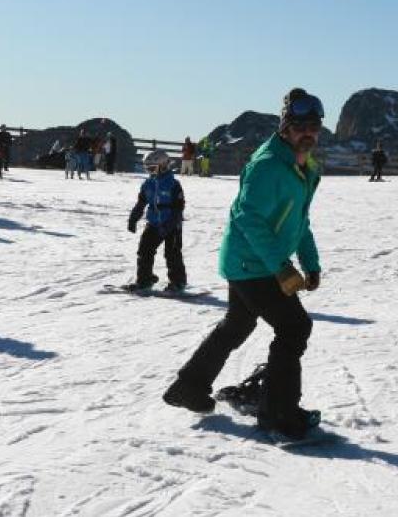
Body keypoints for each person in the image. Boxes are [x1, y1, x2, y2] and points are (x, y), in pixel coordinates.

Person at [163, 88, 325, 442]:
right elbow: (247, 218)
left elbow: (299, 220)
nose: (308, 133)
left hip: (257, 261)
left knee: (237, 325)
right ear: (285, 126)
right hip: (251, 263)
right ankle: (278, 414)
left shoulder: (303, 166)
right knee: (294, 327)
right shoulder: (268, 165)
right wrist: (281, 266)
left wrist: (310, 263)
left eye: (314, 126)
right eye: (300, 126)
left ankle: (189, 386)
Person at [125, 150, 187, 292]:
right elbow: (141, 203)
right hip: (153, 223)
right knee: (144, 250)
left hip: (171, 224)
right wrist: (133, 219)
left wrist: (170, 225)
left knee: (172, 253)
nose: (150, 172)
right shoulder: (147, 184)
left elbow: (179, 209)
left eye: (153, 168)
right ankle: (145, 280)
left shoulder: (173, 185)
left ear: (164, 166)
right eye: (148, 169)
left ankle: (178, 282)